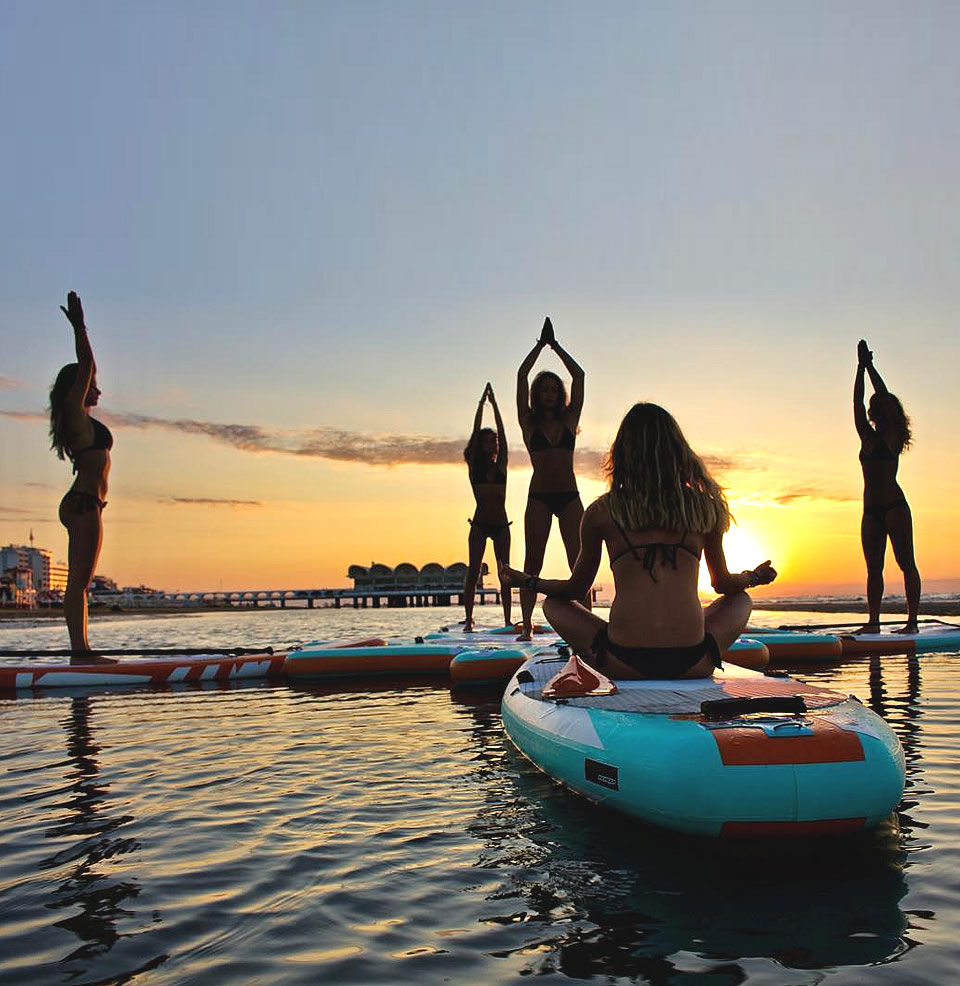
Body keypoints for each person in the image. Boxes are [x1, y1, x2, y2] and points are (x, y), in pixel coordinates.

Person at [501, 402, 776, 679]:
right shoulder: (704, 507)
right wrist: (754, 576)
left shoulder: (601, 511)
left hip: (622, 662)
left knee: (554, 604)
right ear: (678, 451)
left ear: (622, 453)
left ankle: (592, 657)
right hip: (693, 663)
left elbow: (575, 589)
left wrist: (526, 581)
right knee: (740, 600)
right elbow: (723, 584)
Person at [49, 291, 114, 662]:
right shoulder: (74, 415)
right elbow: (86, 362)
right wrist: (80, 327)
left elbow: (89, 368)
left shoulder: (82, 421)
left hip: (88, 504)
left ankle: (82, 651)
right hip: (84, 504)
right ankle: (81, 653)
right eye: (91, 383)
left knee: (82, 584)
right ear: (78, 388)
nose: (97, 386)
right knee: (79, 583)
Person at [515, 317, 586, 640]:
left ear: (560, 394)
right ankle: (527, 626)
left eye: (553, 389)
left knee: (579, 563)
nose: (548, 393)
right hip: (539, 497)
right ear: (536, 394)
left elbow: (580, 375)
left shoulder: (571, 420)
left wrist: (555, 346)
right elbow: (521, 375)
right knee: (533, 562)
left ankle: (585, 626)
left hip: (570, 497)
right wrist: (538, 346)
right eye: (543, 389)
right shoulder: (528, 423)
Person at [854, 339, 920, 634]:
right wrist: (858, 368)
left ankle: (912, 623)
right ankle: (873, 622)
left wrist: (870, 367)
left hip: (894, 506)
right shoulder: (865, 436)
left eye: (877, 404)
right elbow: (856, 403)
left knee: (906, 563)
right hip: (870, 510)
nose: (872, 406)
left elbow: (881, 396)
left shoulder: (892, 435)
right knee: (873, 569)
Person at [464, 383, 512, 629]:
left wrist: (496, 407)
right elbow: (473, 435)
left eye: (493, 441)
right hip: (480, 524)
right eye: (488, 441)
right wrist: (481, 405)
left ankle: (507, 620)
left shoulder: (501, 464)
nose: (492, 444)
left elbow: (504, 436)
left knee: (505, 573)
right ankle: (469, 620)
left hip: (502, 524)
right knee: (473, 572)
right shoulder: (475, 465)